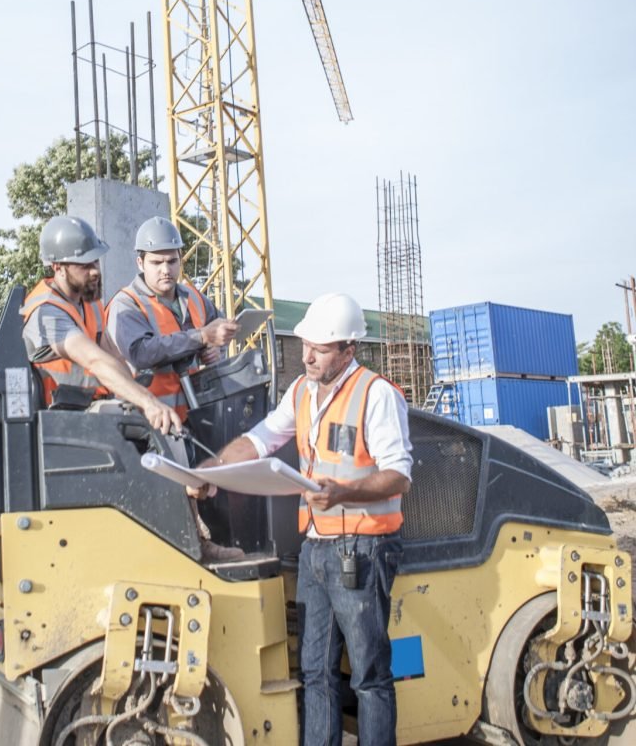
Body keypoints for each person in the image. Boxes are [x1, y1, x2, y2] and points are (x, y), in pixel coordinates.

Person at [193, 293, 412, 745]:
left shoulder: (376, 394)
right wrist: (212, 470)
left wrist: (345, 492)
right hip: (316, 548)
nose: (308, 355)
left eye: (321, 348)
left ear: (348, 350)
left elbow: (399, 476)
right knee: (315, 671)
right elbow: (261, 439)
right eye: (307, 344)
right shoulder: (302, 392)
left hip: (363, 550)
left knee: (369, 675)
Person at [21, 215, 183, 436]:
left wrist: (136, 394)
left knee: (155, 434)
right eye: (85, 265)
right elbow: (94, 360)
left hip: (87, 410)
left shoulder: (90, 301)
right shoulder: (46, 311)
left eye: (96, 261)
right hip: (55, 422)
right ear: (58, 267)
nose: (95, 270)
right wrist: (148, 402)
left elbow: (111, 355)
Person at [105, 215, 239, 421]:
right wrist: (201, 337)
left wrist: (214, 350)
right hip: (146, 424)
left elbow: (218, 332)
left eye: (172, 261)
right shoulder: (126, 304)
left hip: (194, 416)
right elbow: (142, 353)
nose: (165, 270)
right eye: (156, 262)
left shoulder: (195, 298)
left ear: (180, 258)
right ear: (140, 263)